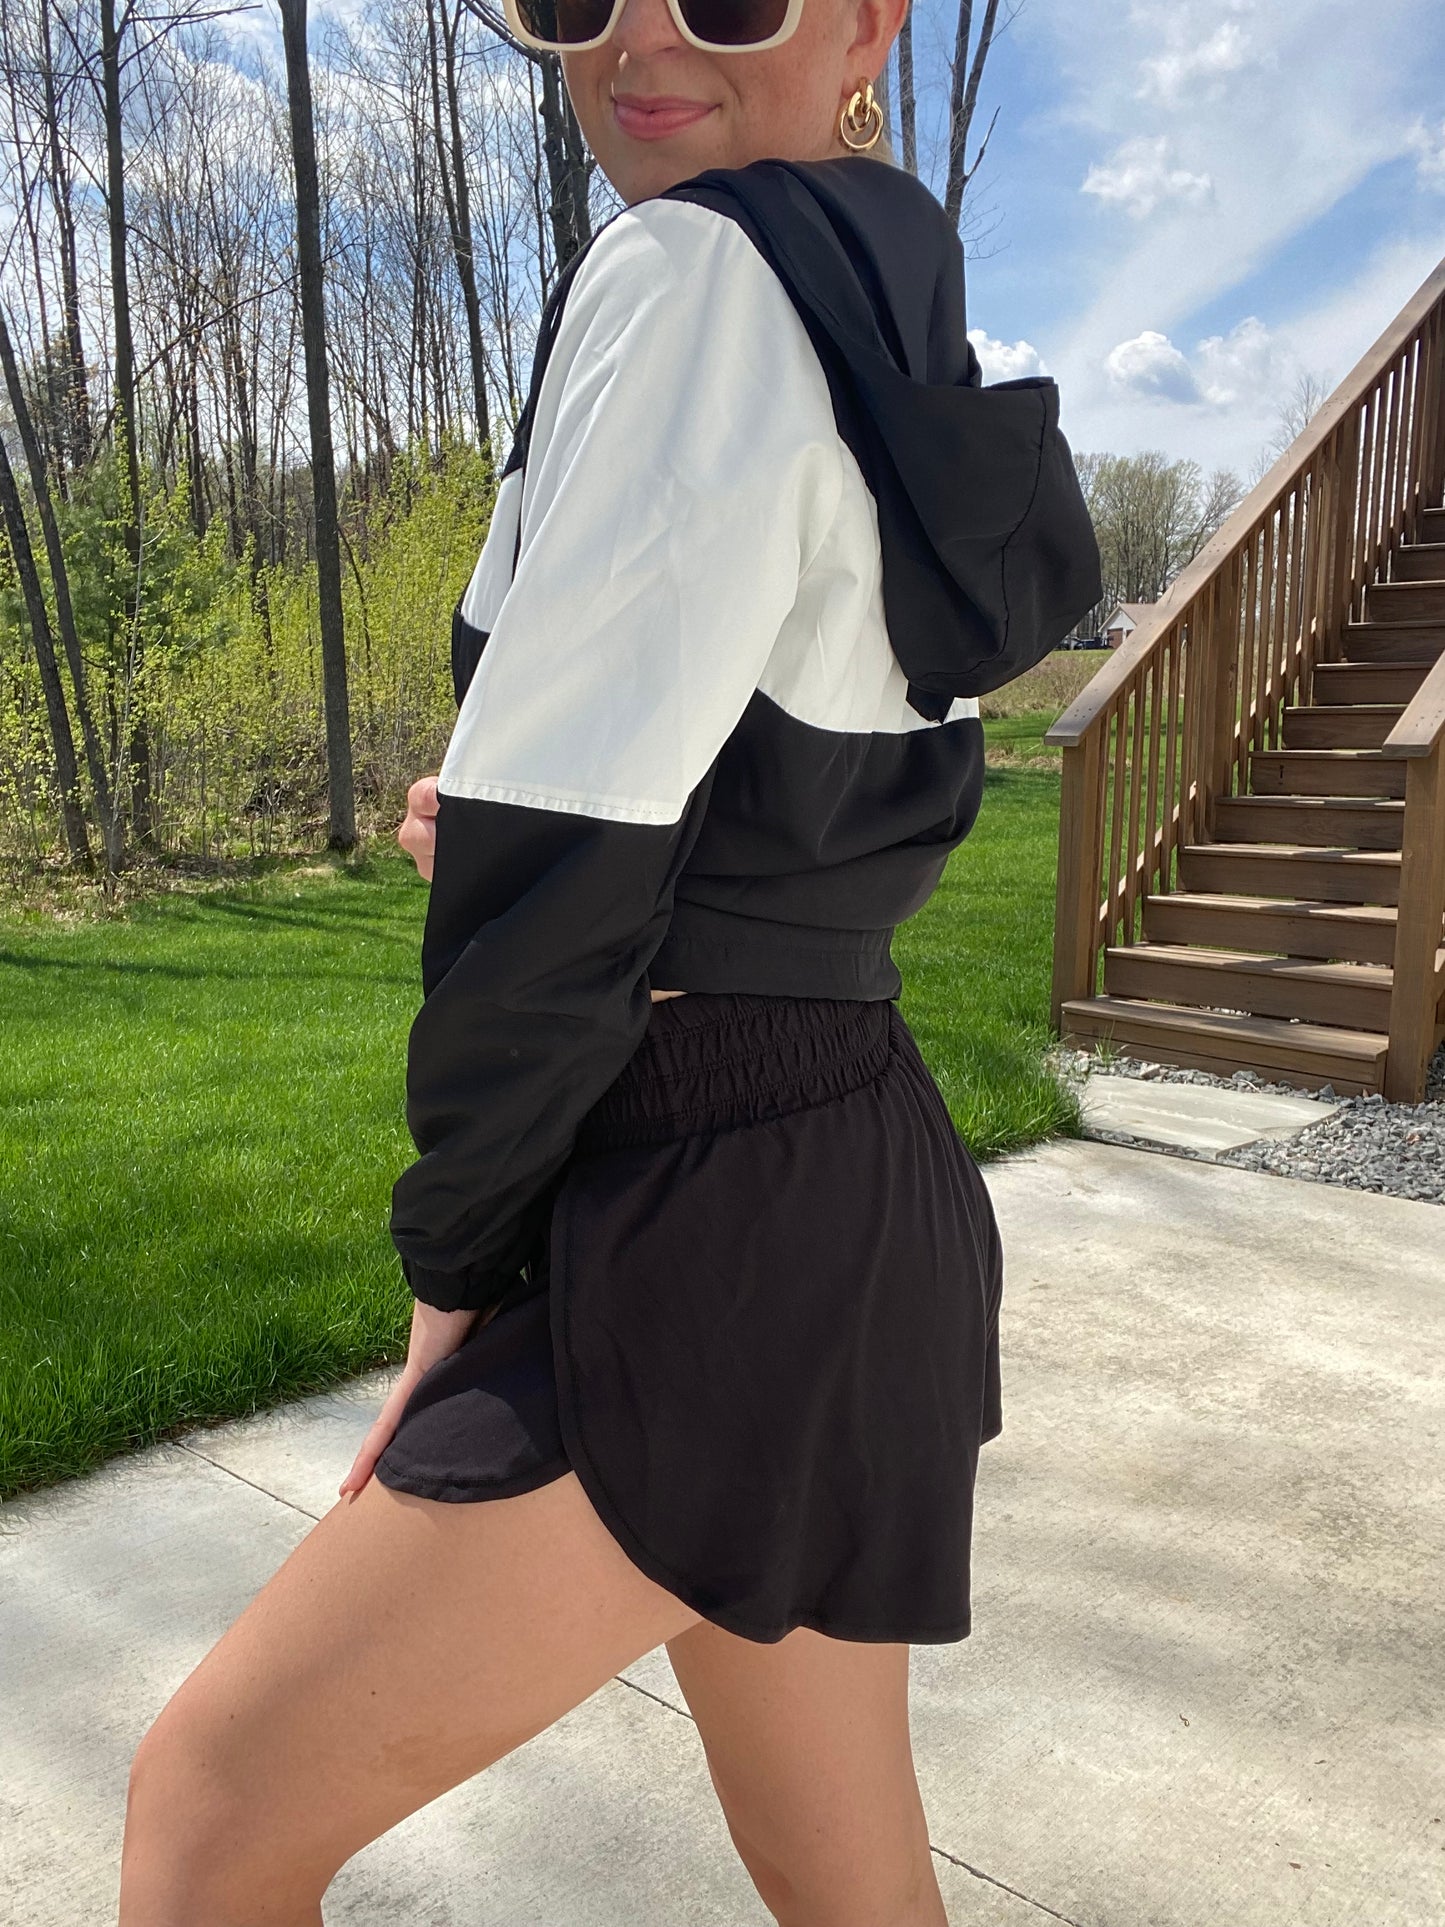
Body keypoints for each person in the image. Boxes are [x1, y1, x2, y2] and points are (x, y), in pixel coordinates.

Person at [118, 0, 1101, 1918]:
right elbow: (780, 799)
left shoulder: (689, 268)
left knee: (210, 1817)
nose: (634, 44)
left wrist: (453, 1277)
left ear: (867, 22)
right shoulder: (886, 311)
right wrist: (519, 823)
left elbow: (570, 862)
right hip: (850, 1184)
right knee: (844, 1876)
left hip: (697, 1220)